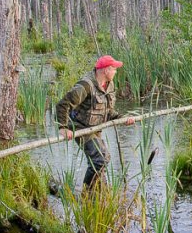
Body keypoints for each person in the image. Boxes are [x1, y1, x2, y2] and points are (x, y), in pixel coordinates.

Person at [53, 55, 135, 191]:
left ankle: (99, 193)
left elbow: (108, 112)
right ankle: (87, 193)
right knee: (100, 159)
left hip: (95, 128)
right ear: (105, 70)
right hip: (81, 128)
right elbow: (62, 104)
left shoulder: (109, 85)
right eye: (114, 69)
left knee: (101, 159)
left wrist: (123, 118)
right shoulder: (85, 86)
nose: (116, 71)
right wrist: (63, 127)